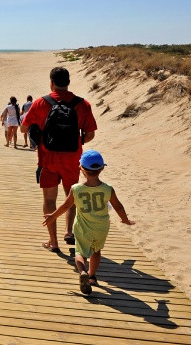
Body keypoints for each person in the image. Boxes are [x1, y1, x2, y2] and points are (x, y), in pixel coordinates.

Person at [21, 67, 97, 253]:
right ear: (68, 82)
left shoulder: (40, 103)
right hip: (72, 159)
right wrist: (76, 142)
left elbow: (24, 129)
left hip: (47, 160)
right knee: (71, 197)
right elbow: (90, 135)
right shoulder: (83, 104)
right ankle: (68, 231)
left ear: (51, 82)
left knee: (49, 199)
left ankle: (53, 241)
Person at [43, 149, 134, 294]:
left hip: (82, 227)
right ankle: (92, 276)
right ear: (102, 168)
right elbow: (118, 206)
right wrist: (125, 220)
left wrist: (52, 216)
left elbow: (66, 206)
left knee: (80, 252)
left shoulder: (76, 189)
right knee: (96, 251)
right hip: (101, 227)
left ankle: (83, 272)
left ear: (81, 168)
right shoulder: (108, 189)